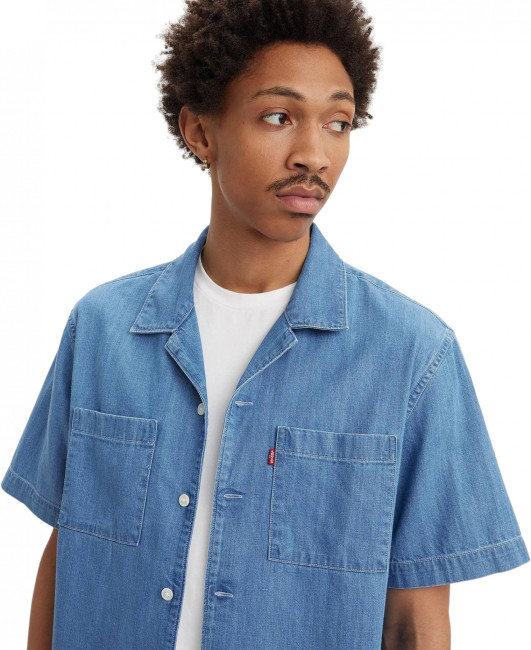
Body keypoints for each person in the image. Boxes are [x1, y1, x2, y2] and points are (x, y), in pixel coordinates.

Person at [2, 1, 529, 648]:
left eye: (338, 123)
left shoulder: (413, 355)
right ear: (200, 132)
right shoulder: (103, 330)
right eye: (278, 117)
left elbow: (413, 618)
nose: (314, 154)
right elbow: (68, 553)